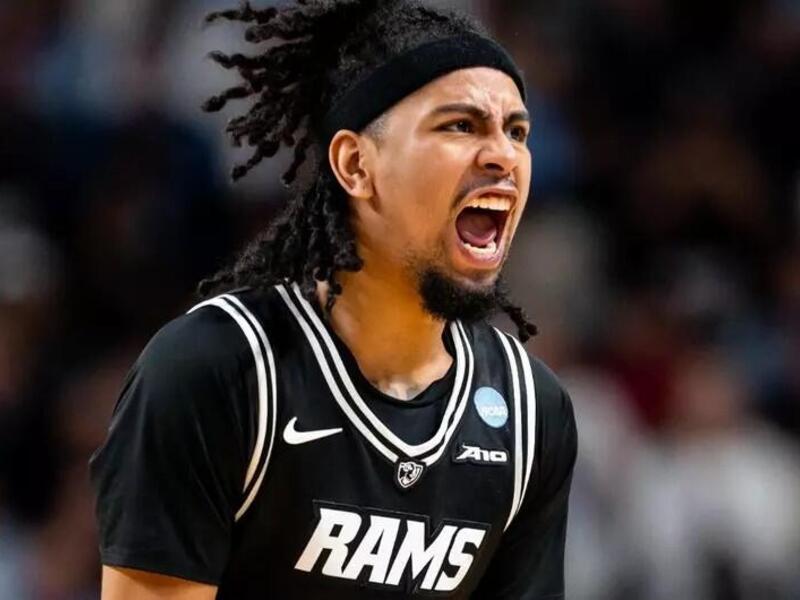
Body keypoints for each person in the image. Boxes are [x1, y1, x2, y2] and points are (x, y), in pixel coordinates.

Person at [89, 1, 578, 598]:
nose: (504, 155)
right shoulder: (219, 370)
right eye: (461, 126)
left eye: (517, 131)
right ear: (355, 164)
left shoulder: (530, 414)